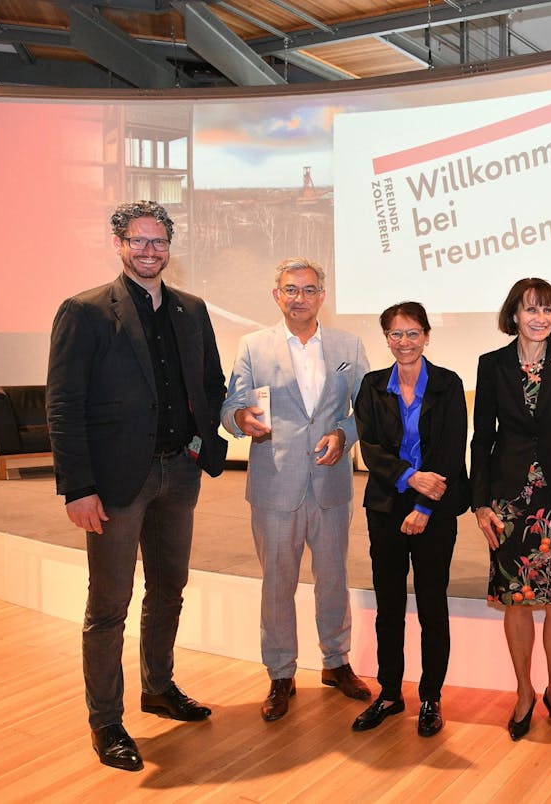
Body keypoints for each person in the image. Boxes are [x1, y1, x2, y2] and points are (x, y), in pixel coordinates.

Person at [46, 200, 228, 772]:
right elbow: (63, 405)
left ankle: (158, 687)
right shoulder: (84, 311)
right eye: (139, 241)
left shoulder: (192, 309)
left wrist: (204, 437)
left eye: (159, 241)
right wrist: (78, 488)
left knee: (169, 589)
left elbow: (211, 383)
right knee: (108, 606)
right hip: (116, 483)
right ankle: (106, 722)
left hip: (180, 472)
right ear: (120, 245)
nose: (150, 251)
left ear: (169, 247)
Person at [221, 257, 371, 722]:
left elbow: (367, 409)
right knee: (277, 584)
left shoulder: (348, 345)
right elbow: (230, 407)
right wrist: (240, 419)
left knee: (333, 579)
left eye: (308, 290)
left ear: (322, 296)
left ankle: (336, 662)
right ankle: (281, 672)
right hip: (274, 485)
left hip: (331, 483)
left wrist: (344, 433)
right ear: (277, 295)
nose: (299, 298)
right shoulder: (253, 346)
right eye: (291, 289)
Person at [471, 278, 551, 742]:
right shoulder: (492, 364)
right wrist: (480, 503)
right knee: (517, 601)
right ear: (514, 315)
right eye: (530, 309)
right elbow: (482, 437)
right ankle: (524, 692)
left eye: (547, 309)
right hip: (510, 501)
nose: (539, 318)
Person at [352, 302, 470, 737]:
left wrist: (423, 506)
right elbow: (370, 447)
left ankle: (431, 697)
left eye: (413, 333)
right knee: (388, 605)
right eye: (396, 334)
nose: (404, 342)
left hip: (434, 510)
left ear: (427, 336)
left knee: (432, 604)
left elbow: (452, 448)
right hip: (386, 507)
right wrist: (409, 477)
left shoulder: (447, 384)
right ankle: (388, 693)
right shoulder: (371, 385)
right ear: (386, 338)